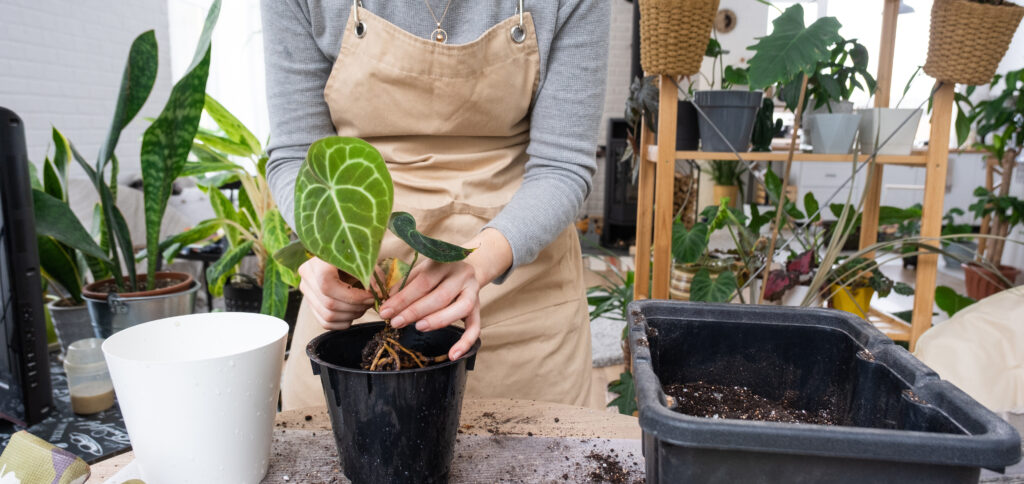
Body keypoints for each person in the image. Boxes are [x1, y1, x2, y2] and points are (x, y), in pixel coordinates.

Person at [261, 0, 610, 410]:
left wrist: (480, 262)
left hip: (519, 292)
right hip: (362, 297)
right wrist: (323, 249)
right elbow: (296, 156)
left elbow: (562, 165)